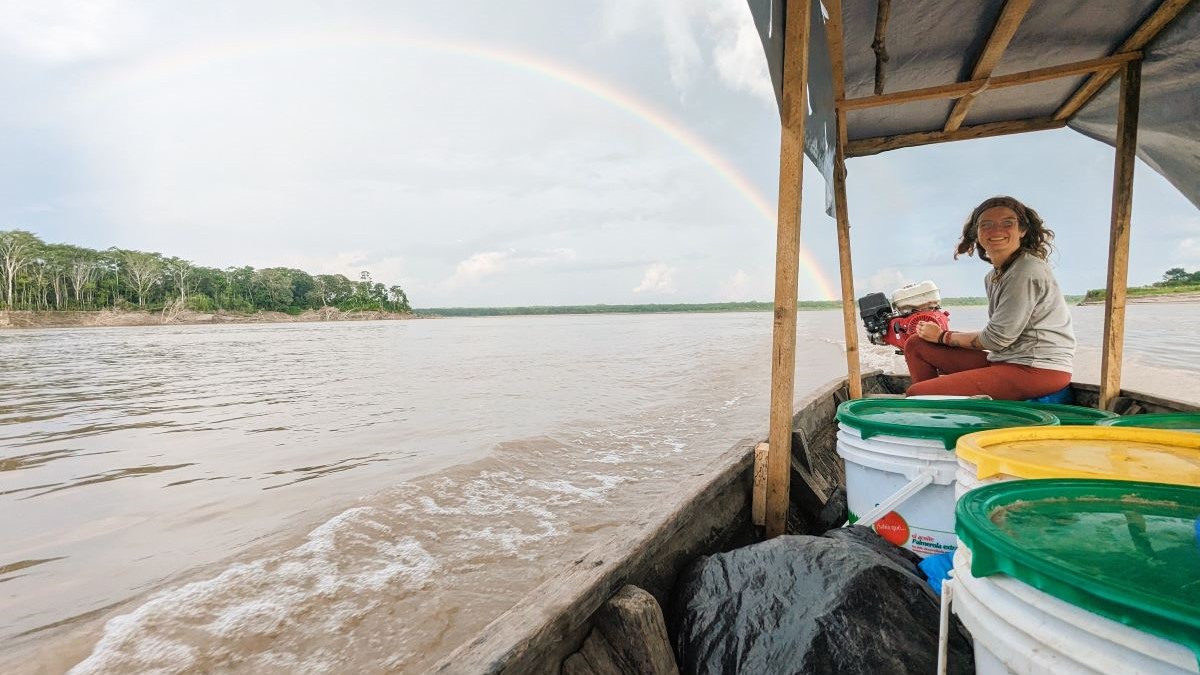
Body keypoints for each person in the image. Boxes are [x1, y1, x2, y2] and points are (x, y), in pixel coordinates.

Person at [904, 196, 1075, 399]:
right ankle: (934, 409)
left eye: (1007, 223)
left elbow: (996, 339)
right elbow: (998, 338)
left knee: (917, 393)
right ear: (976, 234)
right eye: (986, 225)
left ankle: (928, 404)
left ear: (1022, 230)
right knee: (916, 345)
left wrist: (943, 337)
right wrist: (939, 337)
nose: (996, 230)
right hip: (1006, 359)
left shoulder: (1026, 270)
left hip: (1038, 369)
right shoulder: (993, 277)